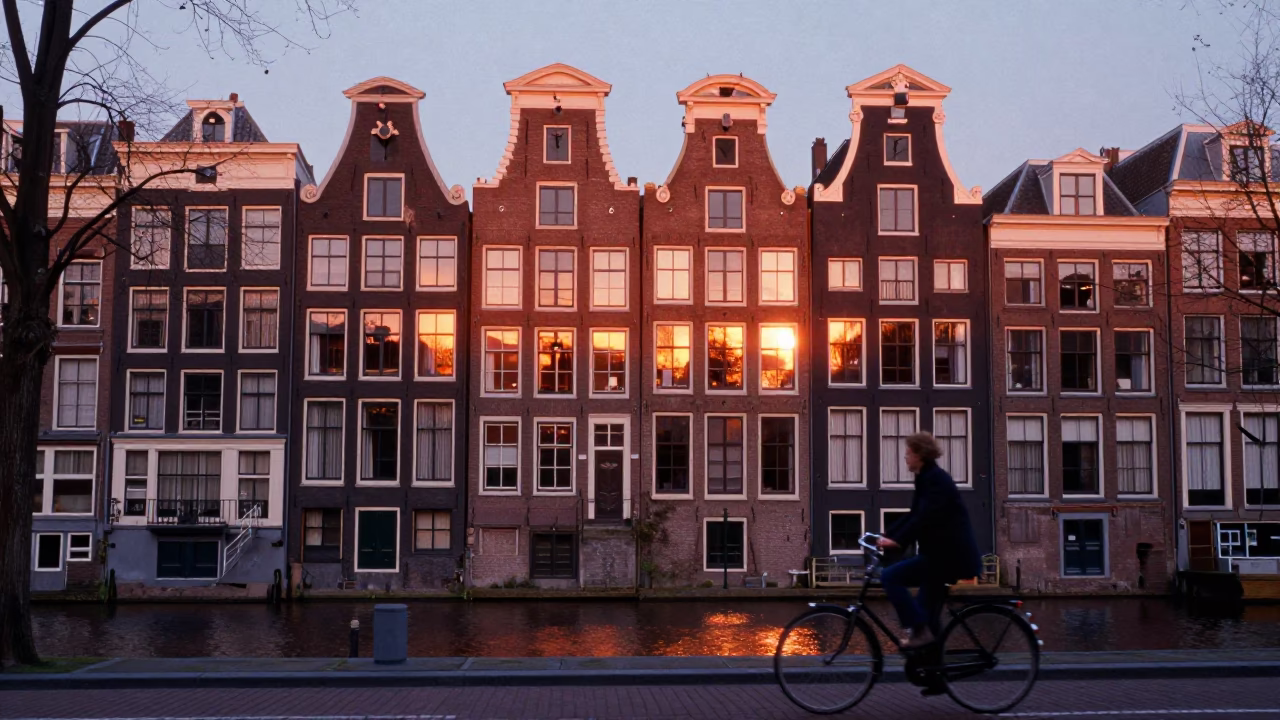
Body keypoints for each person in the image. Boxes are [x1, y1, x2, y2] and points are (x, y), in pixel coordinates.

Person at [876, 431, 982, 651]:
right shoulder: (926, 478)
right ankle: (936, 676)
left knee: (890, 577)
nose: (905, 457)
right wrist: (887, 535)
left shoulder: (935, 480)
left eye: (908, 453)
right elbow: (913, 514)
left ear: (919, 455)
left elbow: (924, 517)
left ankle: (920, 632)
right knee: (926, 615)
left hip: (948, 558)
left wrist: (897, 542)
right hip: (940, 556)